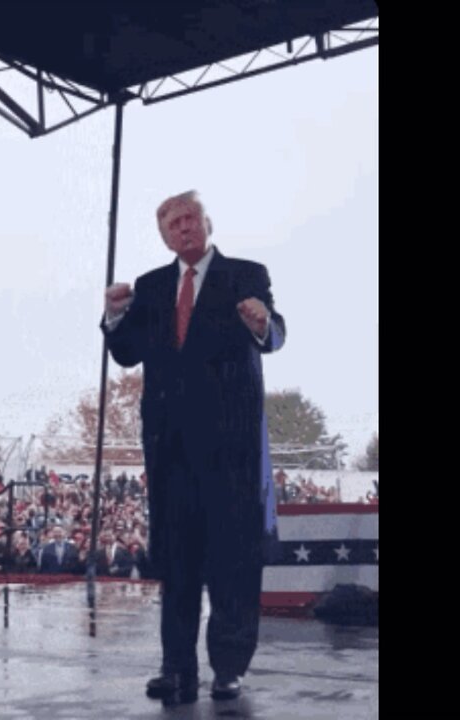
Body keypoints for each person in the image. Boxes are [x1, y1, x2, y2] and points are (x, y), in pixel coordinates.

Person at [101, 190, 285, 704]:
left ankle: (228, 668)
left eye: (190, 219)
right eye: (172, 224)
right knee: (176, 563)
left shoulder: (247, 274)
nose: (183, 229)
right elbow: (127, 353)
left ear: (207, 222)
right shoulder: (152, 286)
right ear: (163, 236)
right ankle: (175, 667)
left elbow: (276, 333)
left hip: (230, 452)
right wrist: (114, 317)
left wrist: (262, 324)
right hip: (171, 451)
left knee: (232, 562)